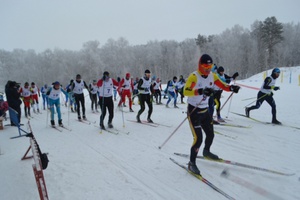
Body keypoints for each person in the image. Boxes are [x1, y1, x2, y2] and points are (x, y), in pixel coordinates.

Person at [183, 54, 240, 175]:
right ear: (200, 65)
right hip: (194, 111)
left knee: (211, 134)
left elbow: (223, 85)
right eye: (205, 66)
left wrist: (231, 88)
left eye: (210, 66)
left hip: (205, 112)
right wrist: (200, 91)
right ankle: (191, 163)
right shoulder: (194, 77)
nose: (208, 68)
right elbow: (185, 91)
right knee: (198, 139)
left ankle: (206, 152)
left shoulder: (212, 76)